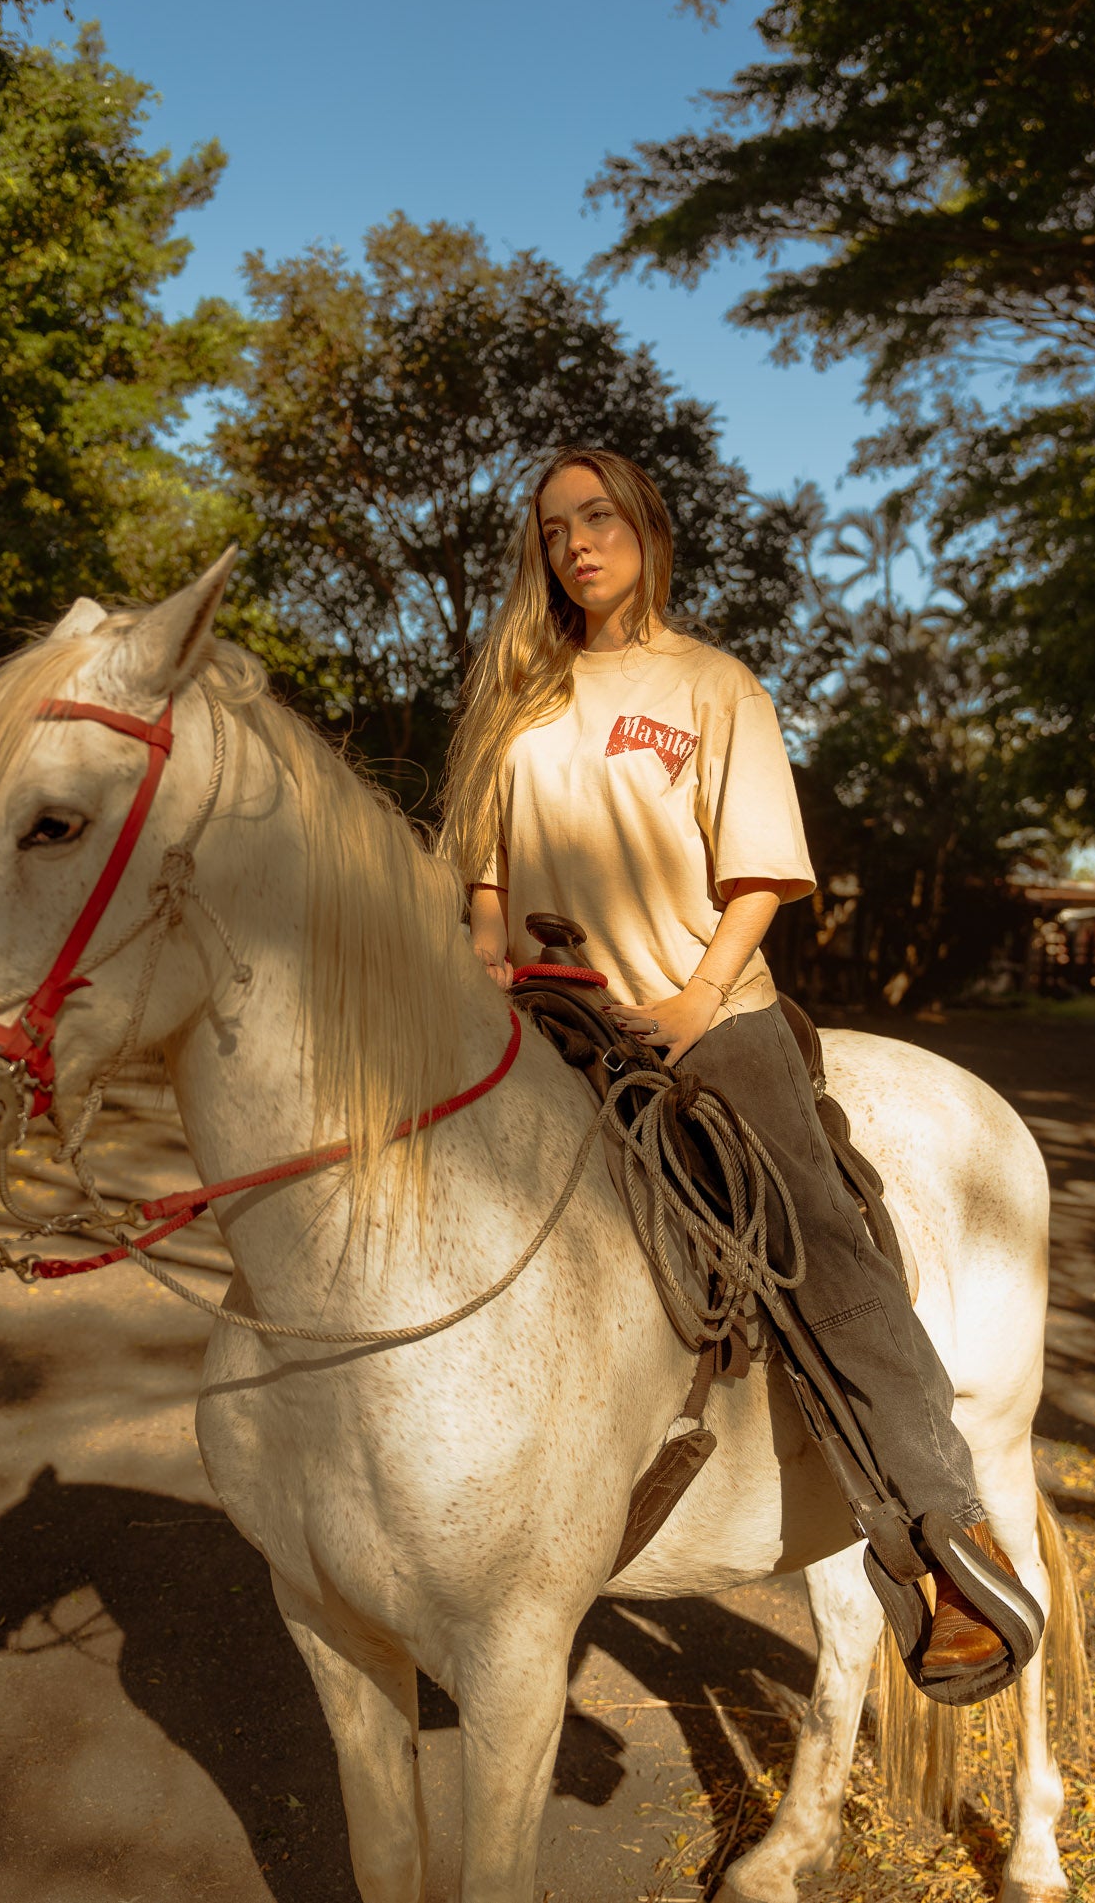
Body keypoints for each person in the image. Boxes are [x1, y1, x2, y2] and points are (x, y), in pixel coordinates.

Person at [439, 444, 1023, 1683]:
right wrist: (484, 956)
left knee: (815, 1237)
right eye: (552, 530)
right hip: (547, 1014)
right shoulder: (521, 691)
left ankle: (942, 1537)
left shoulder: (711, 684)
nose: (576, 545)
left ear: (645, 529)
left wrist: (696, 1005)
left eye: (598, 518)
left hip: (705, 1011)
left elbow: (757, 875)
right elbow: (487, 862)